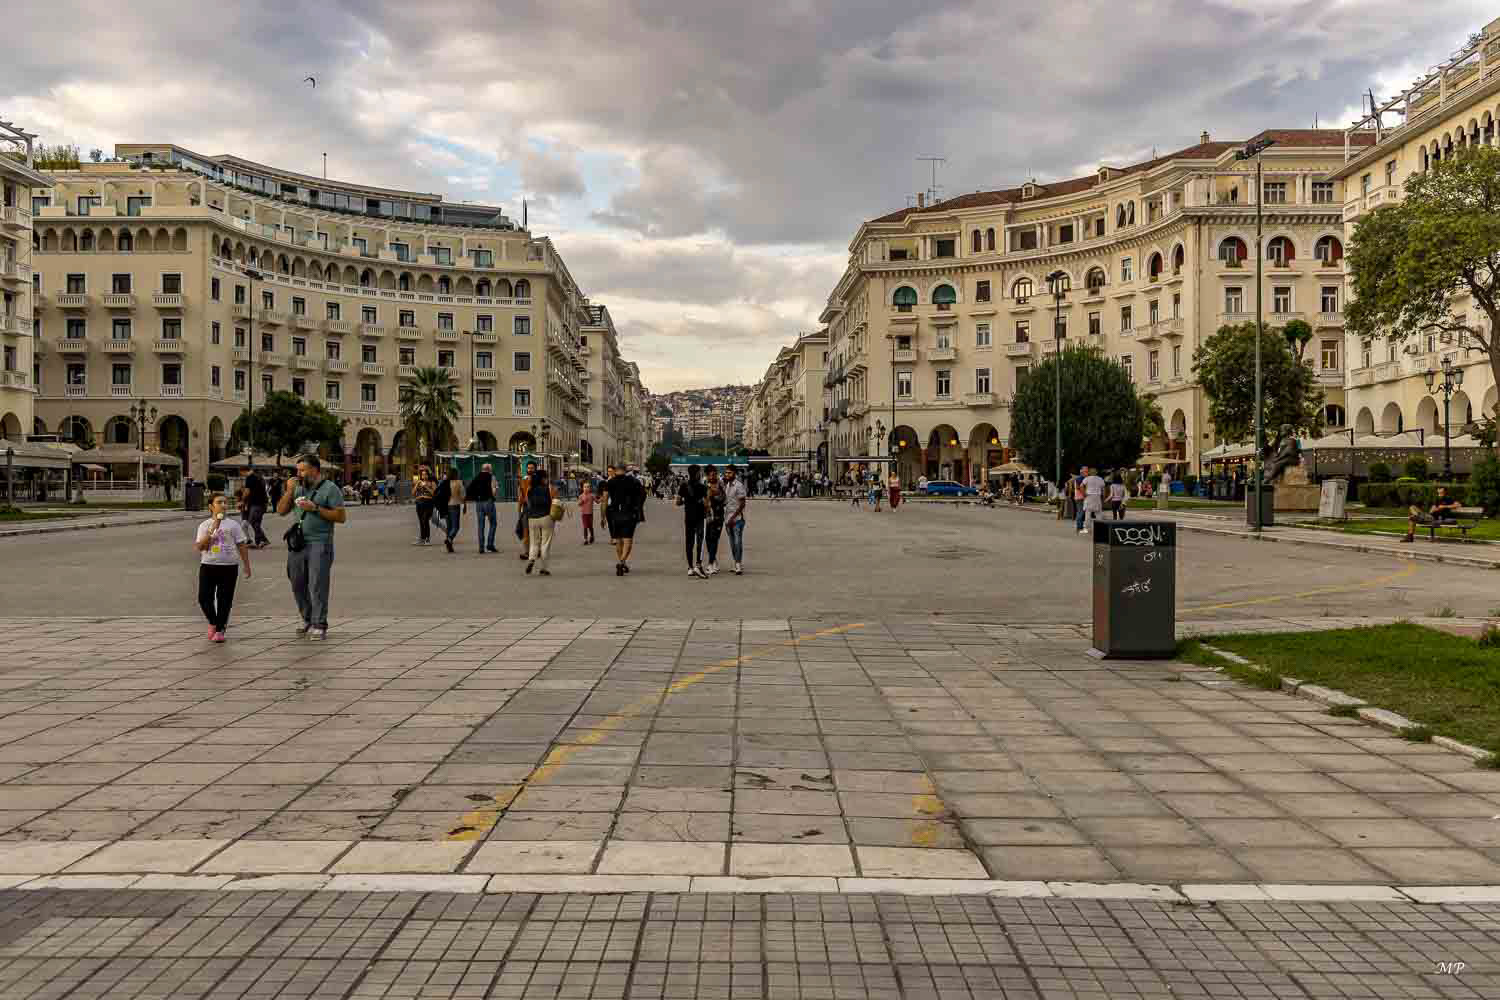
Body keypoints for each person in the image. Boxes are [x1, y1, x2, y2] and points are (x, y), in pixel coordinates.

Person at [276, 454, 344, 641]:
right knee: (296, 581)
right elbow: (281, 511)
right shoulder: (296, 488)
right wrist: (289, 491)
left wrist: (315, 508)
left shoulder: (330, 489)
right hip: (298, 542)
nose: (298, 474)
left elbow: (340, 517)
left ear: (314, 470)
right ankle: (308, 618)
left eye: (302, 470)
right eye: (297, 470)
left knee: (317, 584)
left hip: (320, 542)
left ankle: (319, 624)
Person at [194, 492, 251, 642]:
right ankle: (213, 622)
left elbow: (241, 545)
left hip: (229, 567)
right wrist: (213, 528)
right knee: (204, 597)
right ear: (211, 506)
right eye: (219, 502)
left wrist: (246, 565)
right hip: (208, 565)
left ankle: (220, 629)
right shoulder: (204, 525)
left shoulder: (233, 525)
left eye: (225, 502)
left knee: (224, 599)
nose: (223, 505)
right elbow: (200, 547)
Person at [601, 464, 642, 575]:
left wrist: (603, 516)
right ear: (625, 470)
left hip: (614, 514)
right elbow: (642, 496)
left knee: (618, 540)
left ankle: (622, 563)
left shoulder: (609, 482)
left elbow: (604, 500)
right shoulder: (634, 481)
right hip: (629, 513)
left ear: (616, 471)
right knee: (628, 540)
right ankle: (622, 562)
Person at [524, 467, 559, 575]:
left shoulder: (530, 488)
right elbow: (555, 501)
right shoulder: (548, 488)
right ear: (543, 479)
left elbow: (527, 501)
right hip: (546, 517)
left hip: (532, 518)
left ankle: (531, 559)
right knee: (545, 543)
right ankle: (543, 568)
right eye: (546, 477)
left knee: (534, 542)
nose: (547, 479)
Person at [677, 465, 709, 577]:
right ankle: (698, 565)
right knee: (700, 540)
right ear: (696, 474)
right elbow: (706, 504)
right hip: (700, 517)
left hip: (688, 516)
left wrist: (687, 500)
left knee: (689, 542)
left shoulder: (683, 486)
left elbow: (678, 502)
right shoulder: (702, 487)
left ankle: (690, 567)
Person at [468, 462, 498, 553]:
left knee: (481, 525)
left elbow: (469, 488)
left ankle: (481, 547)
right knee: (493, 523)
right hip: (488, 502)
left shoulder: (477, 477)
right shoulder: (491, 477)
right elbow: (494, 490)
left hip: (479, 503)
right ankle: (490, 544)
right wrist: (493, 495)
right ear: (489, 469)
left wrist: (475, 497)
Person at [724, 465, 747, 575]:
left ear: (734, 473)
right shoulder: (727, 485)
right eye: (726, 473)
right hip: (728, 520)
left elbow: (742, 504)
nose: (727, 475)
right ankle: (736, 563)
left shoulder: (739, 486)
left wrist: (733, 518)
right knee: (732, 543)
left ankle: (738, 564)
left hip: (737, 519)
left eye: (729, 473)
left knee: (738, 542)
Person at [435, 467, 464, 553]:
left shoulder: (444, 483)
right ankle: (449, 539)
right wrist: (464, 503)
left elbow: (436, 492)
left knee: (449, 527)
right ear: (456, 474)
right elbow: (463, 495)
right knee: (456, 527)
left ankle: (449, 547)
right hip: (455, 505)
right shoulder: (458, 482)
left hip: (445, 507)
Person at [240, 467, 270, 548]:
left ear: (243, 471)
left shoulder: (250, 478)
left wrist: (242, 500)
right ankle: (262, 541)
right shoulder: (260, 477)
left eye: (241, 473)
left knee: (254, 521)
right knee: (256, 522)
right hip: (262, 503)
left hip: (256, 503)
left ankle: (261, 541)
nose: (242, 475)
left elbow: (247, 491)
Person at [704, 465, 725, 575]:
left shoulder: (720, 484)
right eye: (711, 475)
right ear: (707, 475)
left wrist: (715, 494)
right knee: (708, 539)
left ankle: (710, 563)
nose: (714, 476)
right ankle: (713, 560)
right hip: (708, 516)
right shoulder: (704, 485)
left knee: (714, 539)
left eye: (715, 474)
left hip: (718, 515)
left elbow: (724, 498)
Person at [516, 461, 537, 560]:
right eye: (528, 468)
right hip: (526, 508)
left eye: (532, 468)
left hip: (537, 508)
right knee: (525, 530)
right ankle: (526, 552)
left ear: (535, 469)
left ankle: (537, 550)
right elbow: (521, 495)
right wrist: (519, 508)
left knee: (536, 531)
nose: (530, 470)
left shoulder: (538, 479)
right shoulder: (523, 479)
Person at [412, 466, 437, 546]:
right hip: (419, 502)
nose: (424, 476)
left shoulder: (432, 482)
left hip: (428, 502)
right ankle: (422, 538)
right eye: (422, 475)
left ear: (428, 475)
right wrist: (417, 484)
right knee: (421, 521)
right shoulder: (419, 482)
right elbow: (413, 493)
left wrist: (425, 486)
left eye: (425, 474)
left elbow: (434, 493)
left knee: (425, 520)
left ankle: (427, 538)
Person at [1081, 466, 1106, 533]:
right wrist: (1103, 497)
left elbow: (1081, 486)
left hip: (1089, 496)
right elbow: (1103, 489)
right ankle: (1100, 528)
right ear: (1096, 472)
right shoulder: (1100, 479)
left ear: (1089, 472)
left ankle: (1086, 529)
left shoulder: (1087, 478)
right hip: (1097, 496)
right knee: (1098, 513)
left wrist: (1084, 494)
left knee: (1088, 513)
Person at [578, 480, 596, 545]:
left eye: (588, 487)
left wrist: (602, 498)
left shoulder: (592, 495)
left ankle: (592, 536)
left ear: (590, 488)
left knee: (590, 526)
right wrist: (582, 500)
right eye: (585, 487)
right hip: (584, 514)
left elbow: (597, 501)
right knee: (585, 527)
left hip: (590, 514)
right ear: (582, 488)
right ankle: (585, 539)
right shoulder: (581, 496)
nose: (586, 488)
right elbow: (579, 504)